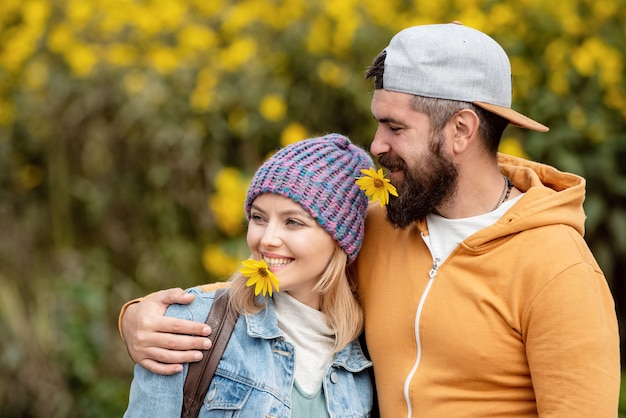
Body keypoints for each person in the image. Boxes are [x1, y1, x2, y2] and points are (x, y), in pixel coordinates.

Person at [120, 23, 621, 416]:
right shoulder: (381, 226)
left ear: (462, 130)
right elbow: (280, 271)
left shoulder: (558, 271)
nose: (376, 145)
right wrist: (142, 318)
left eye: (395, 127)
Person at [123, 133, 376, 417]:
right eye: (258, 218)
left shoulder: (368, 354)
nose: (267, 239)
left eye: (292, 222)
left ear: (341, 240)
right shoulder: (191, 327)